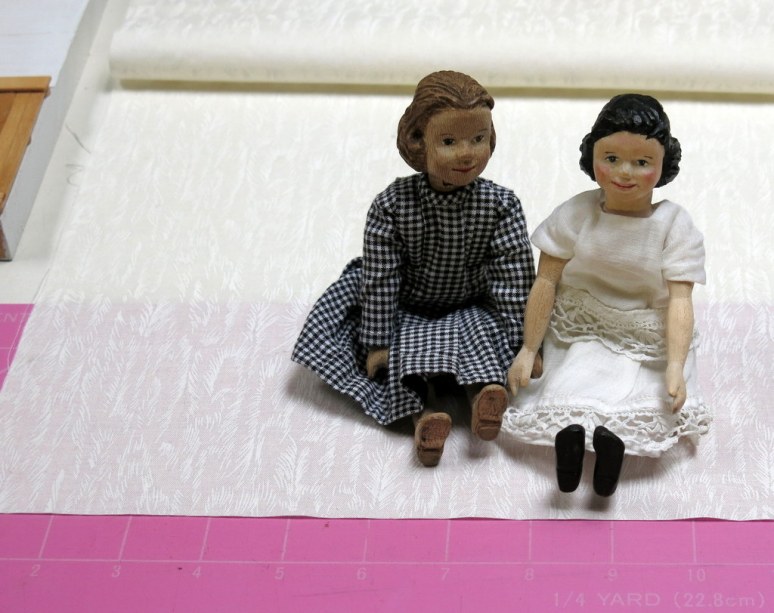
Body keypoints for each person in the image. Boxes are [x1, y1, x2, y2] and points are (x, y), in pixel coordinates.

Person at [292, 70, 535, 466]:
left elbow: (513, 276)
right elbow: (381, 277)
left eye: (478, 138)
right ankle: (425, 417)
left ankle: (484, 396)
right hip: (407, 305)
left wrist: (522, 343)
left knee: (484, 338)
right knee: (402, 359)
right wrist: (377, 341)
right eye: (449, 141)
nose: (467, 153)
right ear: (418, 141)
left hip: (470, 302)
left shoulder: (501, 205)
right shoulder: (392, 205)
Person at [503, 94, 711, 496]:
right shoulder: (577, 214)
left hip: (646, 330)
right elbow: (545, 281)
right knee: (569, 384)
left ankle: (612, 452)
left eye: (642, 162)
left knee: (644, 394)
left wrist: (675, 364)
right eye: (611, 158)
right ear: (592, 156)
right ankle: (569, 446)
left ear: (663, 164)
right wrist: (529, 348)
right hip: (580, 322)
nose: (624, 173)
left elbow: (681, 300)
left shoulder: (673, 224)